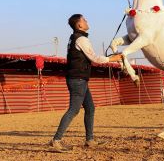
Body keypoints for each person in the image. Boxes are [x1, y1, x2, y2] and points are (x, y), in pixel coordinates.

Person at [50, 14, 123, 152]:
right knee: (74, 110)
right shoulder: (81, 39)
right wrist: (113, 59)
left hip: (79, 79)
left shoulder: (74, 38)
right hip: (78, 80)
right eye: (84, 20)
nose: (87, 21)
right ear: (79, 25)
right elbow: (94, 58)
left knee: (90, 108)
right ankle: (56, 140)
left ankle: (90, 140)